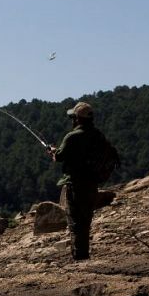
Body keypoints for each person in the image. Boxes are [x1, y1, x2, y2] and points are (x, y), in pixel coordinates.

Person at [50, 101, 108, 260]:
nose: (72, 120)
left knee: (75, 222)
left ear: (77, 119)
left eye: (73, 117)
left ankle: (80, 257)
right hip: (92, 183)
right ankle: (83, 254)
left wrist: (54, 152)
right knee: (86, 220)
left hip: (76, 184)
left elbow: (59, 157)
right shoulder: (98, 135)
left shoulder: (72, 136)